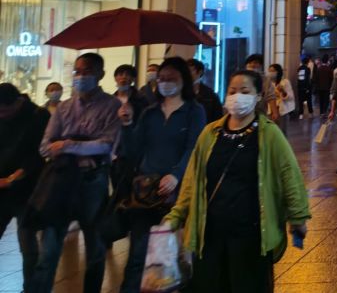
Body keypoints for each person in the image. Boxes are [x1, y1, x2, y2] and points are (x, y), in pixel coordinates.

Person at [164, 69, 310, 293]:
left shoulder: (269, 134)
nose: (237, 96)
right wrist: (176, 216)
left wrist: (298, 216)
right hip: (210, 234)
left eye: (244, 91)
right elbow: (192, 180)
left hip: (251, 235)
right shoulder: (210, 133)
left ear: (258, 96)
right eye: (232, 91)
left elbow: (289, 174)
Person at [29, 53, 122, 293]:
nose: (81, 76)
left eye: (87, 71)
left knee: (95, 247)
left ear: (100, 74)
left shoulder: (112, 106)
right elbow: (45, 146)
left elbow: (107, 144)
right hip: (60, 181)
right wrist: (83, 148)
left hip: (93, 182)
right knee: (49, 249)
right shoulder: (64, 107)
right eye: (77, 71)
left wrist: (68, 145)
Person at [118, 57, 206, 293]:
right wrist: (126, 125)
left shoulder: (194, 112)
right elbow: (133, 150)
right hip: (145, 192)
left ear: (183, 80)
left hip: (177, 194)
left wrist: (176, 175)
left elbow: (193, 148)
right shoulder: (149, 113)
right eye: (162, 78)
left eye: (172, 78)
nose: (166, 82)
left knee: (174, 254)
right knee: (138, 253)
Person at [0, 83, 49, 291]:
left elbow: (39, 155)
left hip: (29, 190)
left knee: (28, 245)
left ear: (18, 101)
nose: (1, 114)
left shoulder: (39, 116)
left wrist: (12, 178)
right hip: (0, 190)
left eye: (4, 110)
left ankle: (31, 288)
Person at [245, 54, 279, 121]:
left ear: (260, 65)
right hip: (244, 113)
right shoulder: (241, 78)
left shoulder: (265, 80)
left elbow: (271, 96)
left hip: (260, 114)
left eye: (255, 63)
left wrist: (275, 112)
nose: (252, 65)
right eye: (249, 63)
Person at [188, 58, 224, 122]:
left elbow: (217, 119)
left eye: (190, 71)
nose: (186, 74)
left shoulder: (210, 96)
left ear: (199, 72)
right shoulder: (178, 93)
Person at [268, 64, 296, 134]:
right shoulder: (268, 83)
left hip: (282, 111)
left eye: (273, 71)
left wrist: (282, 91)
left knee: (282, 132)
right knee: (271, 132)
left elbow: (290, 97)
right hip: (270, 111)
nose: (271, 73)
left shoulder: (285, 82)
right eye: (270, 71)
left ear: (278, 71)